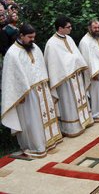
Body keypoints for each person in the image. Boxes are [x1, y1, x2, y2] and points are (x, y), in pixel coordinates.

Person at [1, 24, 63, 158]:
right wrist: (18, 94)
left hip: (42, 90)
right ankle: (35, 146)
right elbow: (10, 78)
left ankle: (48, 141)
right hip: (26, 94)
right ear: (21, 36)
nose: (32, 40)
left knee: (44, 117)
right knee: (32, 121)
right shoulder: (12, 53)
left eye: (34, 37)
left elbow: (40, 67)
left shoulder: (35, 48)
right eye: (29, 37)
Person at [44, 16, 93, 137]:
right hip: (64, 81)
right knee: (69, 102)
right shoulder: (51, 44)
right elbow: (54, 66)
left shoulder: (69, 38)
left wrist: (77, 63)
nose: (71, 28)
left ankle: (85, 120)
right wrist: (73, 61)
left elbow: (76, 55)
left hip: (75, 76)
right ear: (60, 28)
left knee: (80, 99)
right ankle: (72, 127)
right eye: (68, 27)